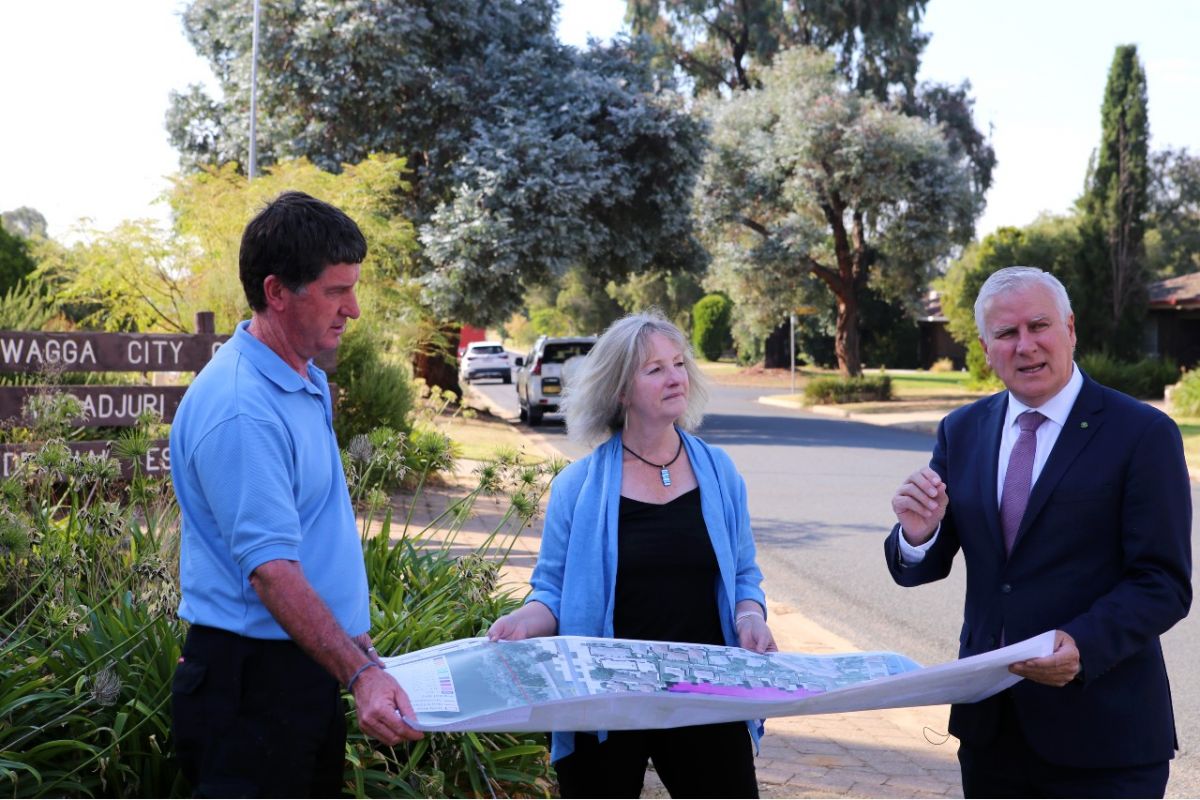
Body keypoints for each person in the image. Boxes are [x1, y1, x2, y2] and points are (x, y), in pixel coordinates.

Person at [886, 266, 1192, 798]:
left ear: (1070, 329)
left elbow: (1162, 582)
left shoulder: (1142, 434)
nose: (1025, 346)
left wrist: (1082, 646)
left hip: (1105, 739)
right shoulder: (962, 431)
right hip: (991, 734)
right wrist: (918, 536)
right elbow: (926, 563)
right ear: (986, 348)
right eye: (1007, 334)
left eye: (1038, 326)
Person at [169, 191, 422, 797]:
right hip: (249, 688)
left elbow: (306, 536)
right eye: (337, 292)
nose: (353, 310)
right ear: (277, 291)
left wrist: (344, 644)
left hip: (299, 673)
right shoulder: (242, 407)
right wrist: (360, 673)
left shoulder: (302, 378)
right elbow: (272, 572)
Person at [488, 311, 775, 799]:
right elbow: (552, 591)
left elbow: (744, 574)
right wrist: (523, 621)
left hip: (701, 692)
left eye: (679, 364)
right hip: (604, 696)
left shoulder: (719, 472)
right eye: (655, 369)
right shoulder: (577, 487)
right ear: (621, 391)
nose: (675, 377)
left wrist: (749, 616)